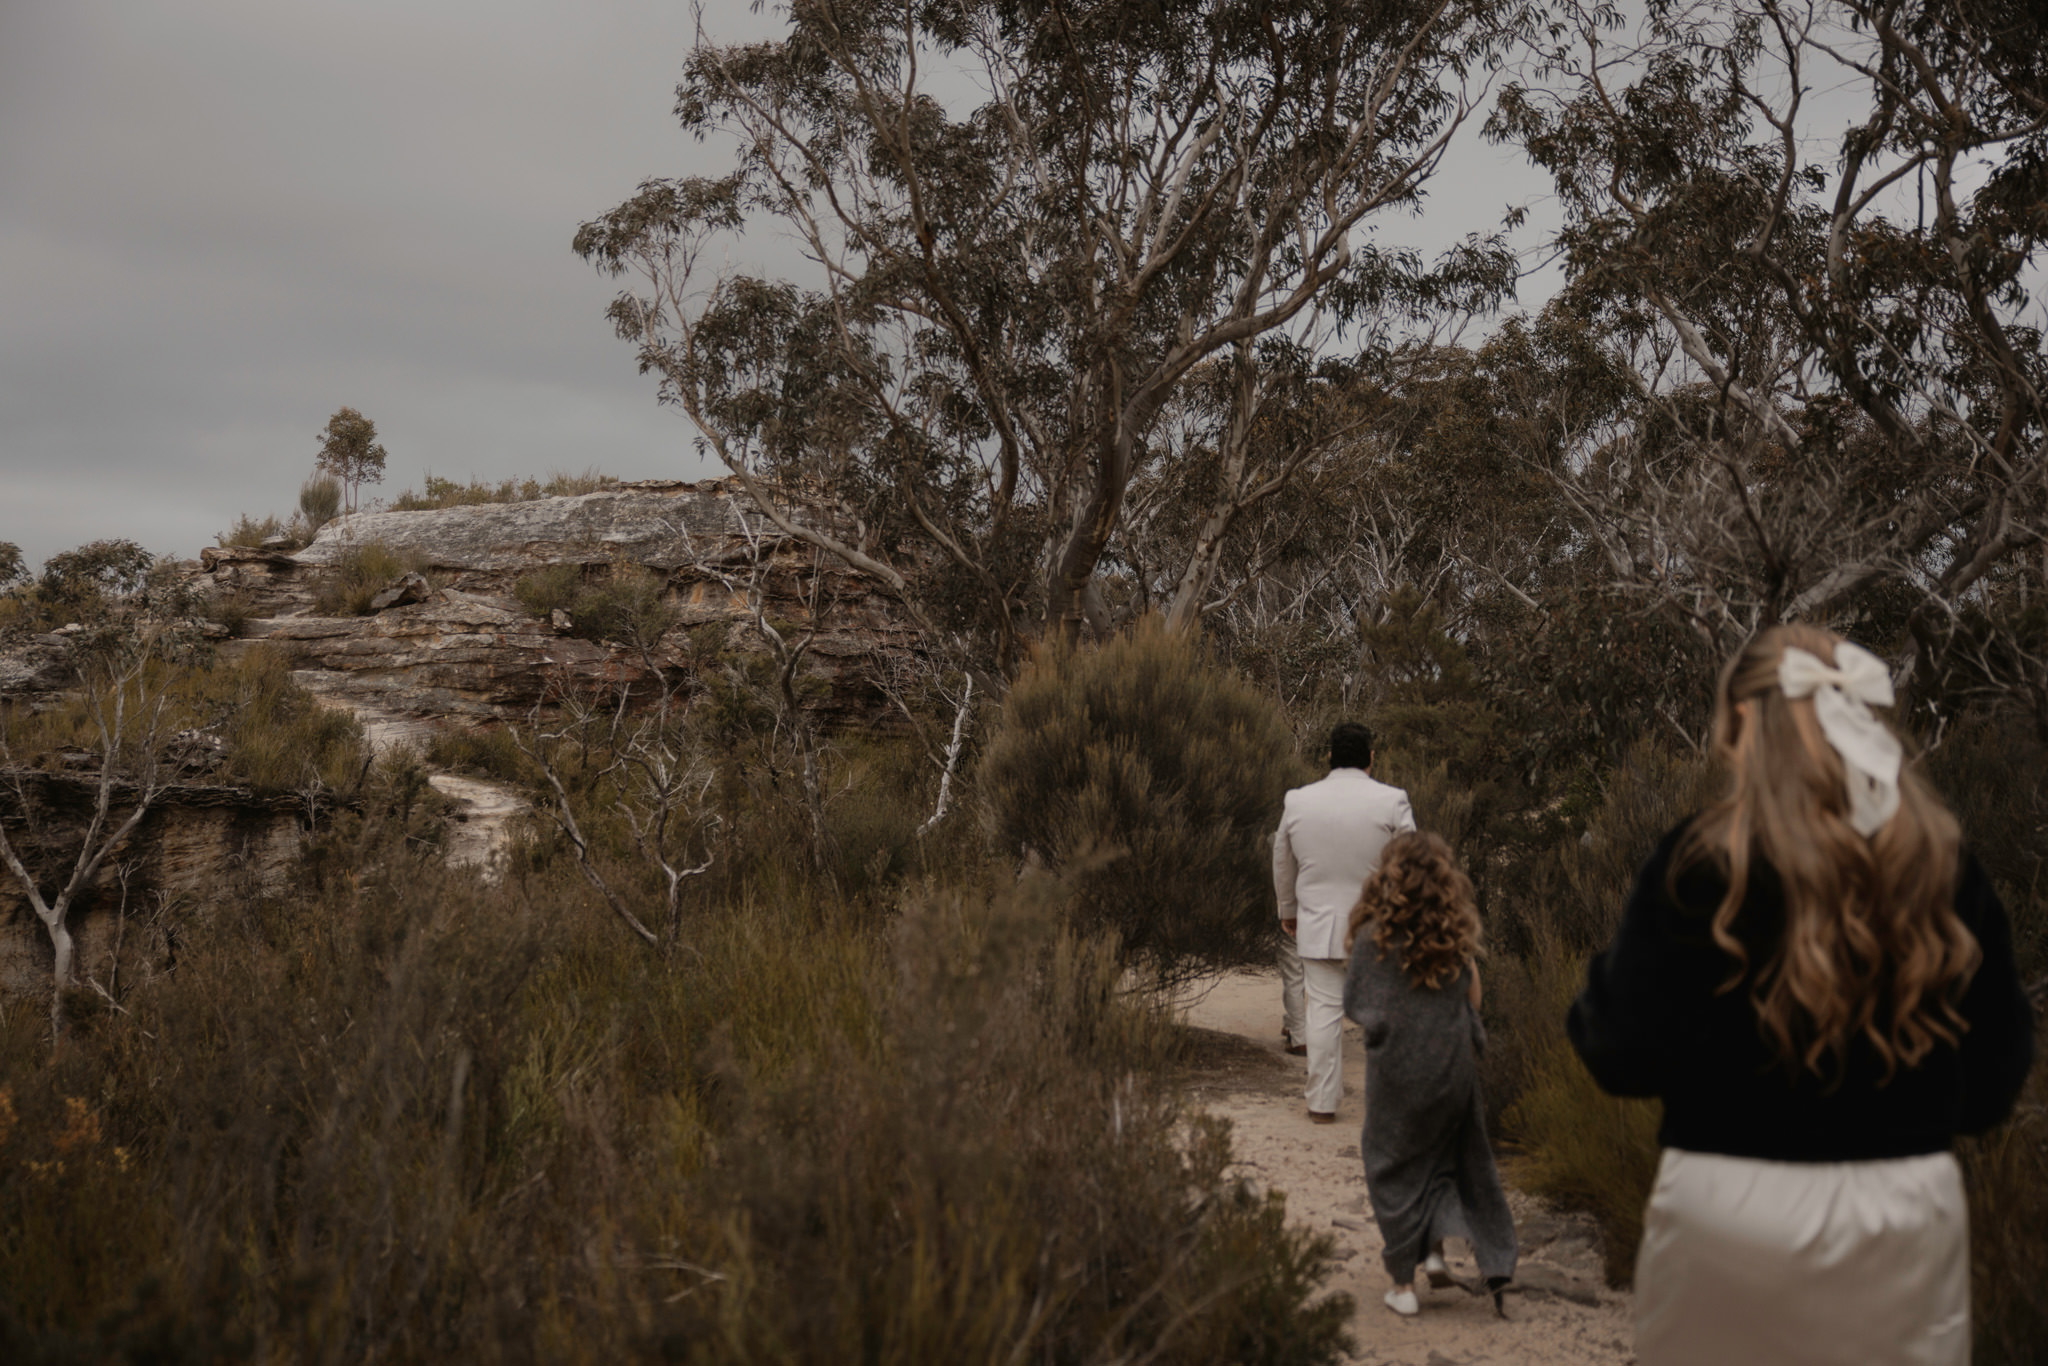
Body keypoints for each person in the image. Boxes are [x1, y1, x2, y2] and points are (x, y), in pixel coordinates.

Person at [1569, 625, 2035, 1366]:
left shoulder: (1697, 864)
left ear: (1743, 721)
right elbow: (1995, 1078)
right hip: (1903, 1209)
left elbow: (1619, 1052)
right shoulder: (1940, 863)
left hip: (1727, 1205)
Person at [1343, 831, 1517, 1318]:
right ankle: (1436, 1253)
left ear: (1389, 876)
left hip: (1397, 1071)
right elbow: (1473, 999)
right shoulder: (1452, 936)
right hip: (1449, 1068)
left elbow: (1357, 1005)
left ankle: (1403, 1285)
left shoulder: (1372, 939)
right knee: (1441, 1160)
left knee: (1391, 1165)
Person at [1274, 721, 1415, 1121]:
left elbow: (1282, 860)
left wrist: (1288, 910)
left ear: (1329, 757)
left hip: (1318, 925)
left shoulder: (1298, 801)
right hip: (1378, 927)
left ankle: (1321, 1103)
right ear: (1371, 757)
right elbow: (1411, 865)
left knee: (1322, 1013)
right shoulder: (1393, 801)